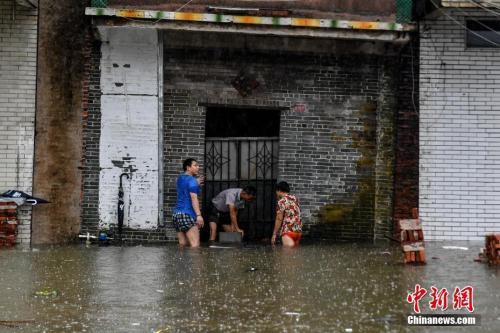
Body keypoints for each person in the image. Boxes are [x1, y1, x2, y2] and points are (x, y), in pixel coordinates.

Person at [172, 158, 204, 247]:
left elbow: (184, 188)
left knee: (182, 244)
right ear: (188, 167)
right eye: (195, 165)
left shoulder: (180, 178)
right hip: (187, 214)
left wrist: (195, 183)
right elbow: (194, 198)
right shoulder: (192, 180)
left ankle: (179, 261)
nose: (198, 167)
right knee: (195, 246)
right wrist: (198, 215)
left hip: (176, 215)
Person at [271, 181, 302, 247]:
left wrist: (274, 234)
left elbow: (279, 219)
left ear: (279, 190)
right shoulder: (295, 198)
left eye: (276, 191)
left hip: (288, 230)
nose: (276, 194)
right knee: (294, 255)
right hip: (298, 231)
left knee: (286, 255)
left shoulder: (281, 201)